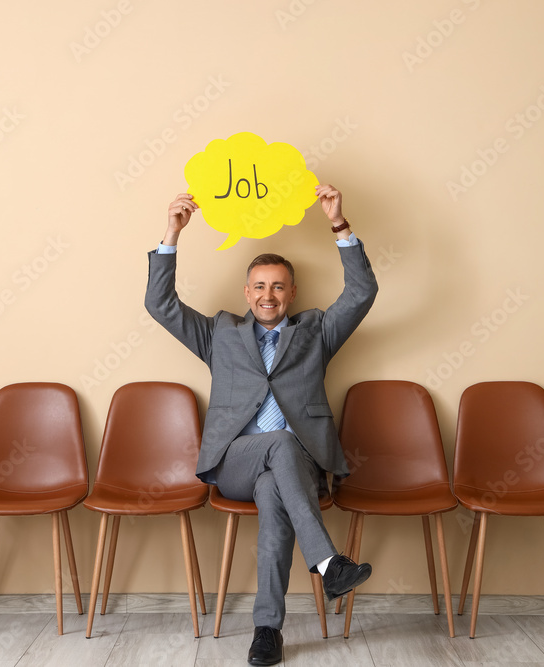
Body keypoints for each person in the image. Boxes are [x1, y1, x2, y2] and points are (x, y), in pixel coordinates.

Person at [145, 184, 378, 666]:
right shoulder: (219, 334)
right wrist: (172, 232)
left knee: (276, 488)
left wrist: (339, 223)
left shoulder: (316, 331)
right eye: (259, 286)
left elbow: (362, 292)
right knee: (275, 444)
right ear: (246, 293)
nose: (267, 294)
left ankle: (266, 631)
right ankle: (330, 564)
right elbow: (160, 304)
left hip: (296, 467)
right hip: (234, 462)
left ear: (291, 292)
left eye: (277, 286)